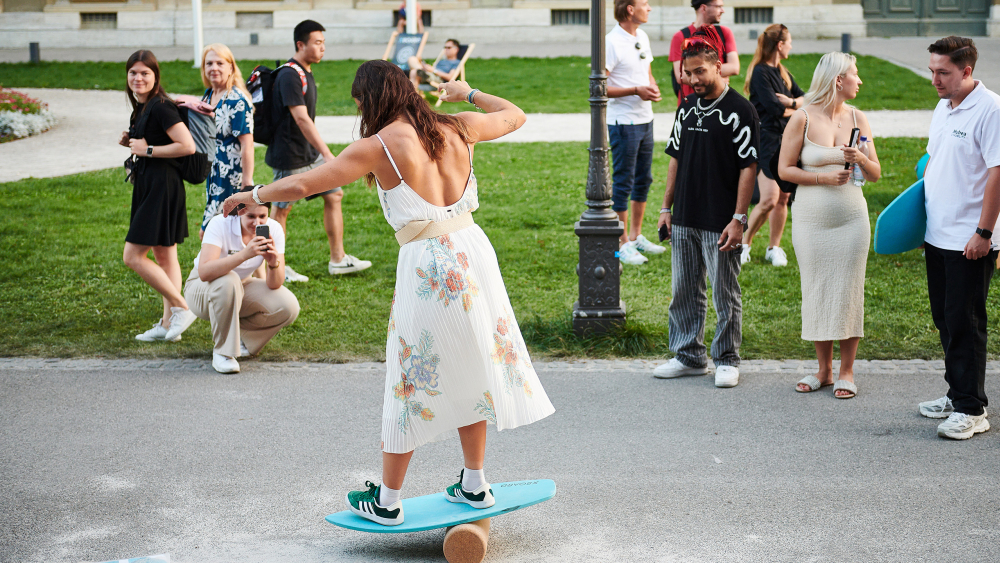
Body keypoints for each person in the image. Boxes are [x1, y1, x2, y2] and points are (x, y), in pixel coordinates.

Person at [221, 61, 555, 526]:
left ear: (371, 100)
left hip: (427, 263)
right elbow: (515, 114)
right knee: (471, 363)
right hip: (473, 252)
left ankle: (389, 501)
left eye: (360, 103)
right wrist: (469, 92)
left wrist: (253, 191)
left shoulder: (379, 146)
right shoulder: (458, 126)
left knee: (408, 375)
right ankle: (475, 485)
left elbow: (302, 183)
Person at [653, 26, 758, 389]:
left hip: (720, 218)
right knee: (684, 288)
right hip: (684, 214)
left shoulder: (739, 110)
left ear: (717, 66)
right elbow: (675, 158)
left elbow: (749, 166)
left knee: (723, 290)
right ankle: (689, 356)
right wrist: (666, 209)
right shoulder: (685, 105)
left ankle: (727, 358)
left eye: (700, 71)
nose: (694, 78)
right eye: (688, 71)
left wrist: (738, 219)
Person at [776, 52, 881, 399]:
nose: (860, 81)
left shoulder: (857, 118)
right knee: (818, 288)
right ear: (839, 80)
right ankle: (823, 370)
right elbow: (784, 170)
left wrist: (860, 157)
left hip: (852, 220)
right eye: (855, 74)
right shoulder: (802, 119)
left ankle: (847, 371)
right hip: (811, 221)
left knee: (849, 291)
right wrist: (822, 177)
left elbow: (875, 173)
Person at [918, 37, 1000, 439]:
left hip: (970, 239)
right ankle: (957, 392)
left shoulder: (992, 109)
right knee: (945, 319)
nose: (934, 78)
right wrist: (919, 225)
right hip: (938, 234)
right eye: (932, 70)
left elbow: (997, 175)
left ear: (966, 71)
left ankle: (972, 409)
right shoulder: (942, 107)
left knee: (966, 323)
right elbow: (933, 164)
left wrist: (984, 233)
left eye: (943, 72)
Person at [266, 19, 371, 282]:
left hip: (307, 153)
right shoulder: (290, 74)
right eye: (317, 42)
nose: (323, 48)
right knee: (280, 210)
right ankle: (277, 266)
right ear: (300, 45)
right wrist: (326, 153)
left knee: (334, 194)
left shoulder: (305, 71)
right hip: (290, 154)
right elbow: (301, 119)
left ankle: (338, 259)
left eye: (324, 42)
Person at [120, 50, 199, 344]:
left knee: (133, 256)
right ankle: (168, 326)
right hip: (149, 184)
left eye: (145, 73)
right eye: (133, 73)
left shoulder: (162, 107)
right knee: (165, 255)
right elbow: (147, 142)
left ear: (155, 77)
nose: (138, 78)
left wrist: (148, 150)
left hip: (162, 186)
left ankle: (181, 306)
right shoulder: (141, 108)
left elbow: (187, 145)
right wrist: (132, 142)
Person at [184, 186, 299, 374]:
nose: (257, 222)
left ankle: (244, 341)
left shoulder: (274, 229)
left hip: (241, 285)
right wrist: (245, 254)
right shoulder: (220, 224)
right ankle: (223, 353)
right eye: (251, 217)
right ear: (239, 213)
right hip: (202, 287)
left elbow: (274, 284)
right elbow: (205, 272)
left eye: (262, 216)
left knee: (288, 306)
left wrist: (272, 262)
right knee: (229, 280)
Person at [606, 0, 665, 266]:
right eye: (644, 3)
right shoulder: (611, 42)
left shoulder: (641, 35)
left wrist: (652, 89)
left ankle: (636, 235)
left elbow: (647, 72)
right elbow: (599, 87)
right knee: (624, 181)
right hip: (623, 123)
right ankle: (622, 245)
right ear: (629, 9)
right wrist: (635, 91)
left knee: (644, 179)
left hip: (645, 119)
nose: (649, 7)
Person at [740, 24, 804, 267]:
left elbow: (806, 97)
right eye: (789, 42)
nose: (791, 46)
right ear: (780, 45)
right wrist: (793, 107)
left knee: (783, 198)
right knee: (768, 199)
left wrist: (792, 102)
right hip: (766, 139)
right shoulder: (760, 73)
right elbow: (775, 109)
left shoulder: (782, 71)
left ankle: (774, 248)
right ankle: (744, 243)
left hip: (785, 139)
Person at [198, 43, 254, 238]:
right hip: (214, 174)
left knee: (215, 231)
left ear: (231, 67)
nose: (214, 68)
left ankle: (251, 263)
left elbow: (247, 143)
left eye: (220, 63)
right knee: (226, 232)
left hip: (232, 174)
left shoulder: (236, 100)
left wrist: (246, 182)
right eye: (209, 63)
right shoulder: (208, 95)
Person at [668, 0, 739, 106]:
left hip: (719, 103)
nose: (722, 11)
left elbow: (734, 68)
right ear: (704, 8)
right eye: (718, 6)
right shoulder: (681, 36)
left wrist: (697, 73)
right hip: (691, 106)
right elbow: (681, 75)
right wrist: (716, 79)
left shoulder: (724, 33)